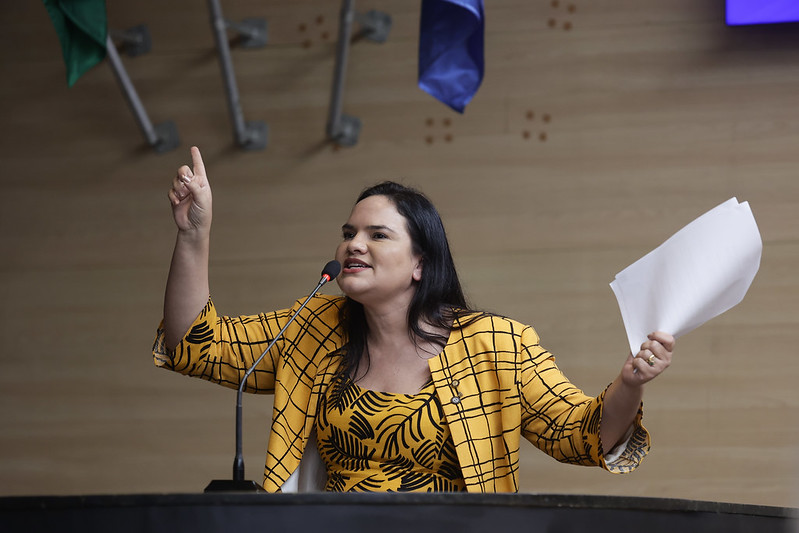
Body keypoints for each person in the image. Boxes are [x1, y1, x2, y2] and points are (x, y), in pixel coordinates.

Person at [153, 146, 674, 493]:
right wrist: (194, 235)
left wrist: (629, 384)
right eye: (348, 232)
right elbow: (196, 345)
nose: (353, 244)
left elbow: (580, 435)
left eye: (377, 235)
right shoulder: (312, 329)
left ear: (421, 263)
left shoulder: (496, 344)